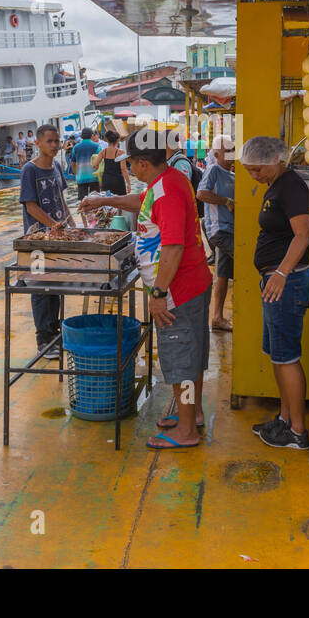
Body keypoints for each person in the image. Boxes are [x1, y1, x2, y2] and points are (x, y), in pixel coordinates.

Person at [80, 131, 212, 449]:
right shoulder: (164, 182)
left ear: (142, 163)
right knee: (190, 356)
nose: (132, 170)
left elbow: (173, 247)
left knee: (181, 359)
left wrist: (158, 294)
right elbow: (142, 202)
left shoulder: (166, 191)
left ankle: (186, 433)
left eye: (132, 164)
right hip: (188, 285)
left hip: (179, 290)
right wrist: (104, 200)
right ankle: (190, 415)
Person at [239, 135, 309, 449]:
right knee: (278, 355)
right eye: (249, 171)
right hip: (276, 283)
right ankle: (284, 420)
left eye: (257, 170)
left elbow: (303, 234)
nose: (254, 176)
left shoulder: (291, 186)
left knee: (288, 357)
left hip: (288, 282)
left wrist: (282, 272)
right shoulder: (277, 185)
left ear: (275, 160)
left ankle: (298, 431)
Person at [18, 125, 73, 360]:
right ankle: (44, 340)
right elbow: (31, 206)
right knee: (41, 289)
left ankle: (55, 335)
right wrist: (54, 226)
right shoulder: (29, 171)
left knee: (56, 287)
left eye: (57, 141)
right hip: (38, 242)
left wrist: (72, 225)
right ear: (38, 143)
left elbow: (61, 199)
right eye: (49, 141)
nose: (54, 145)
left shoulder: (57, 166)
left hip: (58, 239)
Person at [197, 135, 235, 331]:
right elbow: (201, 194)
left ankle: (218, 317)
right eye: (227, 152)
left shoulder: (233, 175)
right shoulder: (213, 170)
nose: (231, 156)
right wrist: (227, 202)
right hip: (220, 231)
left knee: (222, 274)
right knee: (246, 260)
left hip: (230, 230)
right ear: (216, 153)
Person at [95, 130, 130, 196]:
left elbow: (95, 165)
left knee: (107, 202)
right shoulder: (120, 152)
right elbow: (123, 169)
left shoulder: (103, 152)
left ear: (108, 140)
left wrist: (99, 170)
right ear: (118, 140)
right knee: (120, 202)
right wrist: (128, 184)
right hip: (118, 181)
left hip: (106, 181)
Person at [70, 127, 101, 201]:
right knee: (96, 201)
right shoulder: (97, 146)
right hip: (94, 177)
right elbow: (101, 162)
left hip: (81, 177)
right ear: (91, 135)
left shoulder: (76, 147)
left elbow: (73, 163)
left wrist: (76, 174)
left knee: (83, 201)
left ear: (81, 136)